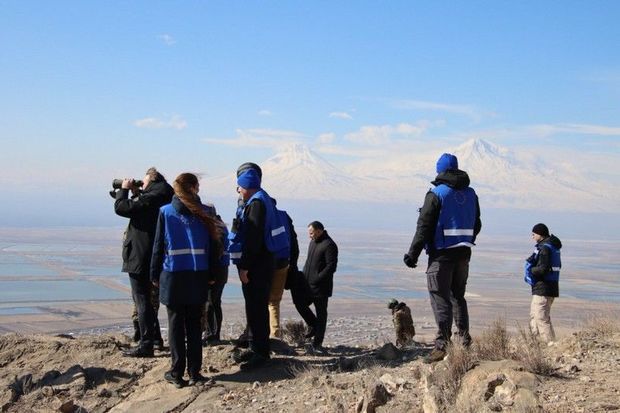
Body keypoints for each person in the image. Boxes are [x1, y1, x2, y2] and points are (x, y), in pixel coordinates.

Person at [404, 153, 481, 363]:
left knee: (440, 297)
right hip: (464, 253)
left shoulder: (436, 194)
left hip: (442, 254)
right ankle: (464, 341)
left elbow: (424, 227)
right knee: (458, 297)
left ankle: (442, 346)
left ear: (439, 171)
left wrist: (413, 254)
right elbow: (477, 224)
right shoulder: (471, 194)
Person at [151, 173, 222, 388]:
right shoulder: (205, 212)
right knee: (194, 324)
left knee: (175, 326)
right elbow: (214, 247)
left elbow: (158, 247)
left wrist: (154, 275)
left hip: (173, 276)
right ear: (194, 188)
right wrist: (212, 275)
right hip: (198, 275)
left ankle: (176, 372)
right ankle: (195, 372)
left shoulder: (166, 212)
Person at [228, 163, 288, 370]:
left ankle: (260, 352)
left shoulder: (256, 204)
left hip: (257, 265)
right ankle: (256, 348)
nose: (238, 190)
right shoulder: (261, 199)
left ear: (248, 184)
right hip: (263, 262)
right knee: (255, 307)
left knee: (256, 307)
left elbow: (253, 240)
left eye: (240, 186)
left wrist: (244, 267)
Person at [114, 167, 173, 357]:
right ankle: (154, 338)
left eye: (144, 181)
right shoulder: (164, 195)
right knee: (146, 300)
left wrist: (123, 190)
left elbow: (122, 208)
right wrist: (138, 193)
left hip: (141, 255)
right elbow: (143, 211)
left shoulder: (153, 197)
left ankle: (146, 345)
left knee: (142, 300)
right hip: (153, 255)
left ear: (152, 180)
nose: (142, 183)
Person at [297, 221, 338, 354]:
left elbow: (331, 267)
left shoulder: (329, 245)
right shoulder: (313, 242)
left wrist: (317, 278)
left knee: (321, 315)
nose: (310, 236)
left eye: (311, 233)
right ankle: (314, 325)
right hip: (307, 285)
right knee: (299, 303)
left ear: (319, 231)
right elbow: (309, 262)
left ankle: (317, 344)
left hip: (321, 287)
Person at [524, 223, 562, 344]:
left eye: (533, 234)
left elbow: (543, 269)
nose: (532, 237)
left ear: (539, 234)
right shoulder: (553, 247)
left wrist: (531, 270)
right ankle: (536, 343)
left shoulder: (545, 248)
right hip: (547, 287)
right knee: (535, 316)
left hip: (544, 288)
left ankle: (550, 345)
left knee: (541, 317)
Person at [202, 211, 230, 346]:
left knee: (211, 302)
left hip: (216, 270)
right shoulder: (220, 226)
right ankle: (212, 333)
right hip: (221, 269)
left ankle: (212, 335)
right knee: (214, 302)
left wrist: (211, 274)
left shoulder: (215, 228)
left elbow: (215, 253)